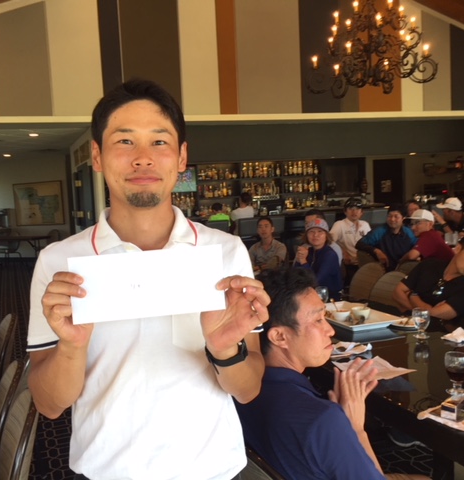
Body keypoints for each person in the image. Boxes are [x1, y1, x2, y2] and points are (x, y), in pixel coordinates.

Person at [26, 79, 270, 480]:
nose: (143, 159)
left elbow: (248, 390)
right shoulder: (59, 263)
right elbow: (49, 405)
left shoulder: (225, 253)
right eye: (124, 141)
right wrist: (71, 347)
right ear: (97, 156)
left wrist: (224, 349)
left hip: (212, 469)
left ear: (181, 156)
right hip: (106, 471)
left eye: (159, 142)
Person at [235, 268, 428, 480]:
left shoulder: (238, 387)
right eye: (318, 320)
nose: (331, 331)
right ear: (280, 336)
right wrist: (355, 428)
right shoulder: (324, 419)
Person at [393, 231, 464, 324]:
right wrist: (419, 312)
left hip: (441, 335)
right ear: (458, 248)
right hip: (406, 326)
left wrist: (412, 295)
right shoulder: (429, 265)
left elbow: (433, 315)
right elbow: (397, 292)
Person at [293, 218, 343, 300]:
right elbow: (294, 275)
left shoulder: (330, 255)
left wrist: (303, 261)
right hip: (308, 294)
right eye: (311, 232)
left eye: (320, 231)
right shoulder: (308, 251)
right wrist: (299, 259)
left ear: (326, 235)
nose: (315, 235)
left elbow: (315, 281)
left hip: (329, 298)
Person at [356, 204, 417, 271]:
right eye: (389, 216)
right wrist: (377, 251)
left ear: (403, 218)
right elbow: (359, 244)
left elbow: (417, 247)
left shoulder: (409, 232)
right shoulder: (380, 231)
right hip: (384, 270)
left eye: (396, 216)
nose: (392, 219)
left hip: (404, 269)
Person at [329, 197, 371, 284]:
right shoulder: (339, 224)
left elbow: (371, 243)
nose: (354, 212)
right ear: (345, 211)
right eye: (351, 209)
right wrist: (343, 252)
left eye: (357, 209)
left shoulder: (365, 225)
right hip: (348, 264)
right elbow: (329, 241)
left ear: (362, 212)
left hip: (364, 263)